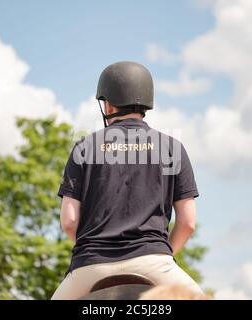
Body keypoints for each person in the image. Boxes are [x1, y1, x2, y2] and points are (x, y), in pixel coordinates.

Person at [51, 61, 202, 299]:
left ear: (108, 104)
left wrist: (93, 249)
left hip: (92, 265)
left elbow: (69, 221)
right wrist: (161, 254)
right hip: (154, 263)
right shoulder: (172, 147)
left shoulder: (85, 146)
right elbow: (188, 222)